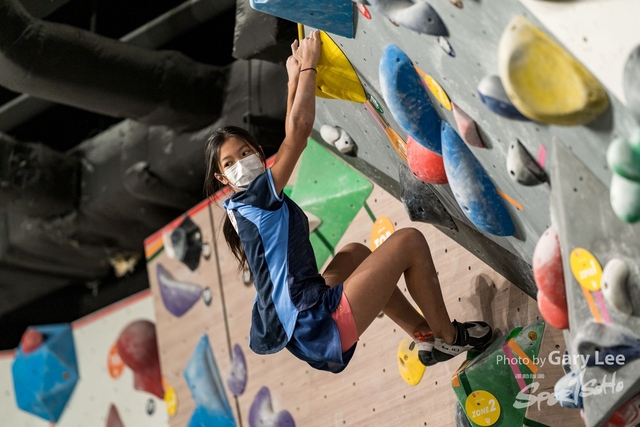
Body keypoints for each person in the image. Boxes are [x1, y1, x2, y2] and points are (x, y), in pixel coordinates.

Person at [204, 31, 492, 373]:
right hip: (318, 324)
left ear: (257, 152)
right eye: (229, 163)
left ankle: (424, 334)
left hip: (304, 317)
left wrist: (294, 81)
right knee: (409, 242)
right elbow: (299, 131)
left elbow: (288, 136)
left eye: (245, 151)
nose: (241, 162)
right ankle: (449, 336)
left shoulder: (240, 206)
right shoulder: (259, 195)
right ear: (223, 178)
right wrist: (309, 66)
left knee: (355, 254)